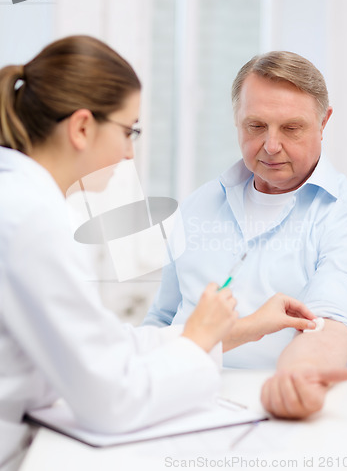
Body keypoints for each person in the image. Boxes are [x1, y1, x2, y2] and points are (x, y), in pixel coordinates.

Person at [0, 37, 319, 471]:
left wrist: (229, 330)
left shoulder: (19, 198)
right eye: (128, 130)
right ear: (81, 128)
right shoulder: (32, 219)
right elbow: (113, 401)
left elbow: (105, 347)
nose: (130, 151)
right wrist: (195, 339)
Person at [144, 50, 347, 419]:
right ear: (237, 120)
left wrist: (298, 378)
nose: (270, 145)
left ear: (323, 122)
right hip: (177, 403)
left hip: (283, 412)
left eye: (291, 128)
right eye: (255, 126)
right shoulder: (197, 206)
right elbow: (163, 317)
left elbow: (331, 323)